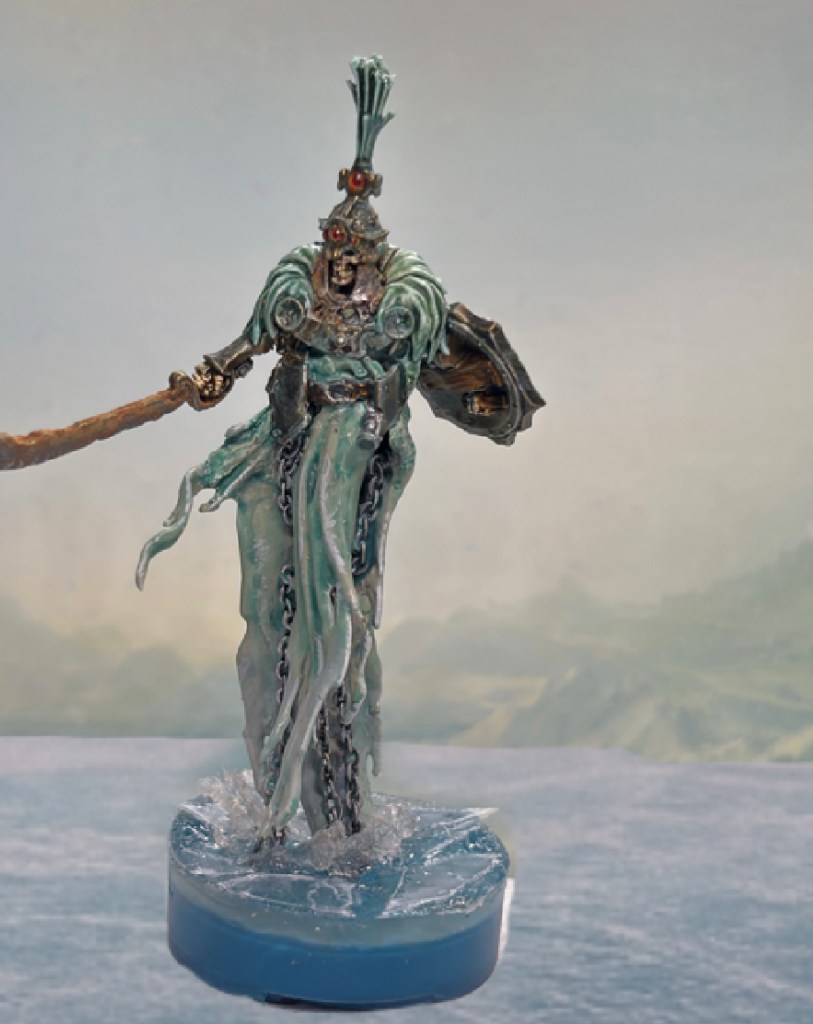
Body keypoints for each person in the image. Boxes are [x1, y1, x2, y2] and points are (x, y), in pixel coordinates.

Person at [136, 56, 543, 847]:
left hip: (355, 450)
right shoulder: (295, 283)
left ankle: (341, 814)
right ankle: (274, 800)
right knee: (273, 611)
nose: (344, 258)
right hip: (288, 437)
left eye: (354, 247)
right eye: (335, 244)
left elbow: (431, 368)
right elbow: (249, 345)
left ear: (374, 251)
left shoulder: (407, 298)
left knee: (339, 624)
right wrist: (212, 374)